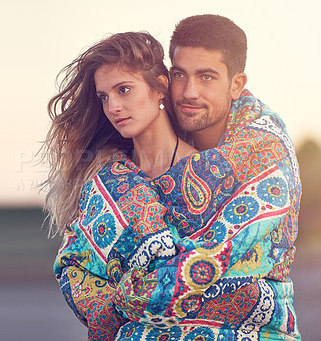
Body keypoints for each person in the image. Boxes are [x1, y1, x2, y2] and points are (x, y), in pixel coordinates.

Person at [111, 15, 302, 341]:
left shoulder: (263, 147)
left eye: (207, 77)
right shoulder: (160, 129)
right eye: (180, 74)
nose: (189, 92)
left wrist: (127, 293)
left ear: (237, 84)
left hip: (256, 327)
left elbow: (208, 257)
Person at [44, 31, 197, 340]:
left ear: (160, 89)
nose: (113, 106)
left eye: (124, 90)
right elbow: (74, 266)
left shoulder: (207, 171)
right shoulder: (101, 182)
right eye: (104, 97)